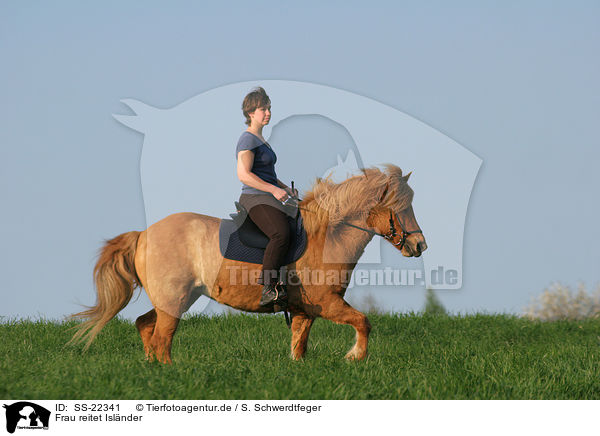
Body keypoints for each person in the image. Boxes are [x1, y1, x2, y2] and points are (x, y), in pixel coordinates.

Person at [236, 87, 298, 307]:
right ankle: (268, 288)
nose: (268, 112)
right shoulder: (248, 139)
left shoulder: (262, 141)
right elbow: (244, 175)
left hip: (268, 197)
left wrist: (284, 188)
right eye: (263, 109)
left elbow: (268, 176)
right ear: (251, 113)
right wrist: (273, 190)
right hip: (255, 198)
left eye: (269, 108)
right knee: (280, 233)